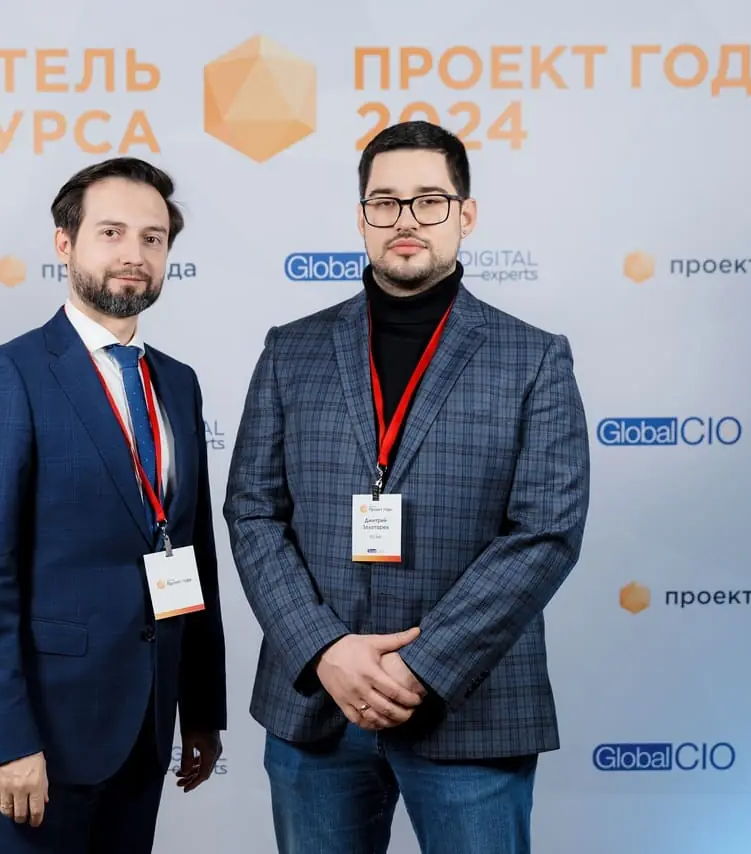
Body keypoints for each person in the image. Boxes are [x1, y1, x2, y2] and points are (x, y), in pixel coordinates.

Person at [223, 120, 590, 854]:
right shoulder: (291, 349)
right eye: (385, 202)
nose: (406, 220)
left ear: (466, 214)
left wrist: (420, 669)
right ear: (361, 218)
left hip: (470, 709)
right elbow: (253, 511)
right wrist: (324, 649)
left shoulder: (534, 358)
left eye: (429, 200)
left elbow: (545, 533)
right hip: (317, 705)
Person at [0, 156, 227, 854]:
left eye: (153, 238)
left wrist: (200, 708)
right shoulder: (8, 374)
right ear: (64, 243)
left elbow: (189, 550)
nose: (134, 255)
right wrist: (5, 739)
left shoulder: (178, 384)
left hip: (147, 725)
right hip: (43, 739)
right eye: (112, 233)